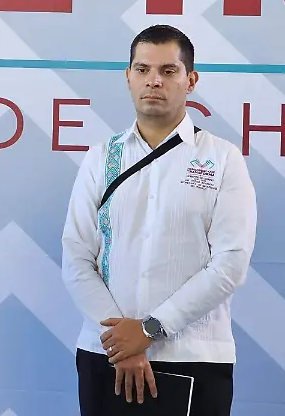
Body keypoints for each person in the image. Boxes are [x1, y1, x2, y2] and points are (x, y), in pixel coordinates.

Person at [60, 25, 257, 415]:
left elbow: (230, 264)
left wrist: (149, 330)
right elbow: (76, 257)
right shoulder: (101, 157)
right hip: (105, 354)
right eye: (143, 69)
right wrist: (123, 341)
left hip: (195, 357)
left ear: (190, 80)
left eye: (168, 71)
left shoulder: (222, 158)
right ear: (128, 76)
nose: (154, 80)